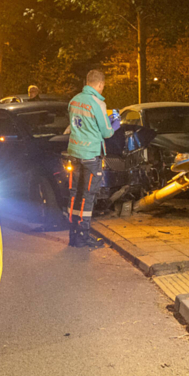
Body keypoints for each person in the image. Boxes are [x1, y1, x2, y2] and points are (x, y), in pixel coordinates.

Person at [66, 69, 120, 248]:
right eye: (103, 86)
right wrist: (114, 124)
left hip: (74, 153)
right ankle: (84, 235)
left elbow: (79, 125)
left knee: (75, 194)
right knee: (88, 196)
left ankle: (73, 234)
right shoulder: (98, 103)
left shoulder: (74, 100)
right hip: (90, 155)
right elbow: (106, 132)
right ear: (100, 84)